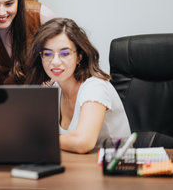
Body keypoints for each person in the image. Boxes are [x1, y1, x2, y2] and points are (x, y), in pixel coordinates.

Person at [26, 18, 131, 153]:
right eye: (47, 54)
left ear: (79, 57)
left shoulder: (95, 87)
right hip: (78, 165)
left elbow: (82, 142)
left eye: (65, 53)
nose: (55, 61)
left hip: (114, 168)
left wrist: (39, 138)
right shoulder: (54, 88)